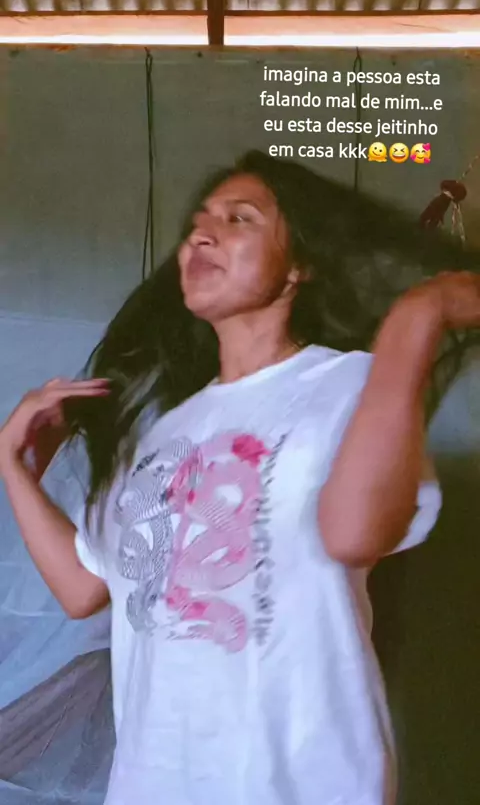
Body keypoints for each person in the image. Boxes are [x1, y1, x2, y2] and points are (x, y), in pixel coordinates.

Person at [0, 150, 479, 805]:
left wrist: (416, 320)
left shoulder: (350, 385)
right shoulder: (161, 432)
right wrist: (12, 465)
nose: (201, 234)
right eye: (199, 221)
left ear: (300, 265)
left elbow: (354, 533)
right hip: (150, 786)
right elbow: (84, 587)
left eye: (239, 218)